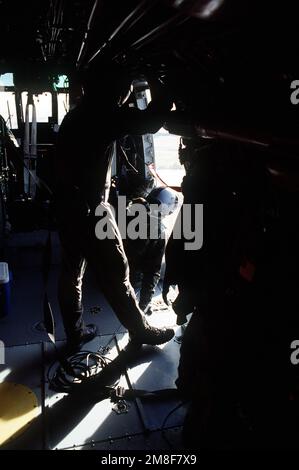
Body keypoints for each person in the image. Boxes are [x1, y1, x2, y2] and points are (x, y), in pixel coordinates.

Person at [54, 62, 175, 349]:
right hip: (92, 209)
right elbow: (152, 120)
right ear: (115, 89)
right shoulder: (103, 114)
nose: (128, 94)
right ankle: (141, 331)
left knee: (72, 273)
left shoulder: (77, 116)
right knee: (117, 271)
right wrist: (162, 81)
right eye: (127, 88)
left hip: (67, 206)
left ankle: (74, 333)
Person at [125, 186, 178, 315]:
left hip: (111, 272)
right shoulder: (159, 232)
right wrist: (144, 303)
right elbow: (153, 271)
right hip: (130, 278)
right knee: (162, 268)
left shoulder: (129, 210)